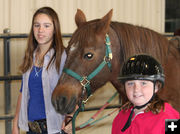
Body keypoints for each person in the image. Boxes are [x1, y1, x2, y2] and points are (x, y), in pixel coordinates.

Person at [12, 7, 69, 134]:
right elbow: (23, 92)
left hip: (54, 129)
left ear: (55, 29)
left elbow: (74, 91)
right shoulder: (29, 55)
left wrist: (70, 119)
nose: (40, 30)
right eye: (37, 25)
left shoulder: (63, 57)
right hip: (30, 129)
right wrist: (15, 123)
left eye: (46, 26)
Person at [112, 54, 179, 134]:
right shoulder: (120, 118)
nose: (136, 89)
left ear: (156, 86)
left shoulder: (169, 117)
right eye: (130, 84)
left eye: (143, 83)